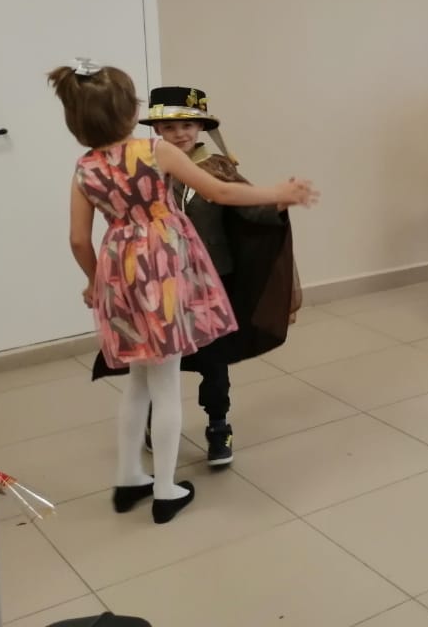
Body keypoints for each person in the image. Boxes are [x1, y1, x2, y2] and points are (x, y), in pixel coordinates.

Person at [50, 61, 316, 523]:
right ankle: (166, 489)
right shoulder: (155, 152)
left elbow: (77, 239)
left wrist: (94, 281)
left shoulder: (85, 169)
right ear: (130, 113)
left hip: (120, 275)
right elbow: (222, 193)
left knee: (137, 382)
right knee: (166, 384)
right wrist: (279, 192)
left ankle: (129, 477)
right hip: (166, 274)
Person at [90, 87, 303, 469]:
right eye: (171, 127)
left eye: (188, 125)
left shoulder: (218, 169)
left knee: (214, 360)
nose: (180, 134)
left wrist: (276, 202)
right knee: (153, 358)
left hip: (211, 281)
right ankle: (153, 419)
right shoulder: (143, 169)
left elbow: (247, 208)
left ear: (201, 127)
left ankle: (218, 424)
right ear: (157, 129)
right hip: (158, 283)